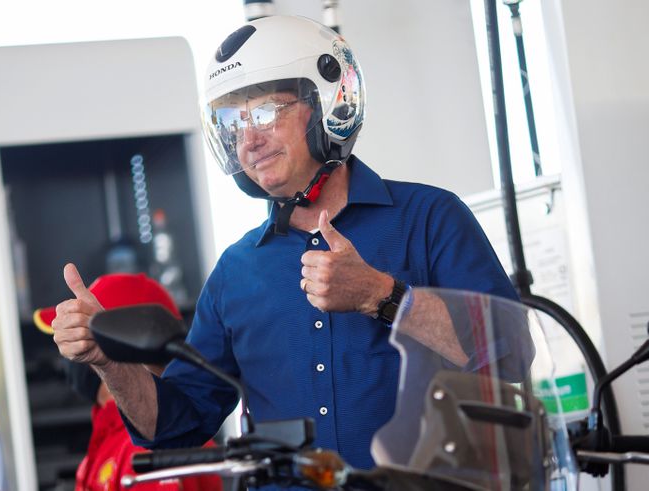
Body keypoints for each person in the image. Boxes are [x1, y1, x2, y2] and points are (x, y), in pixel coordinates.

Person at [51, 14, 522, 485]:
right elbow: (174, 425)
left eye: (266, 112)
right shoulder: (236, 272)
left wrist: (382, 296)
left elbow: (509, 355)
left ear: (326, 104)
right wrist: (108, 362)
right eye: (233, 123)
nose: (249, 140)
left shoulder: (428, 216)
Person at [35, 272, 222, 491]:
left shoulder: (144, 444)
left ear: (122, 343)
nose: (70, 356)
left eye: (79, 337)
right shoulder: (112, 439)